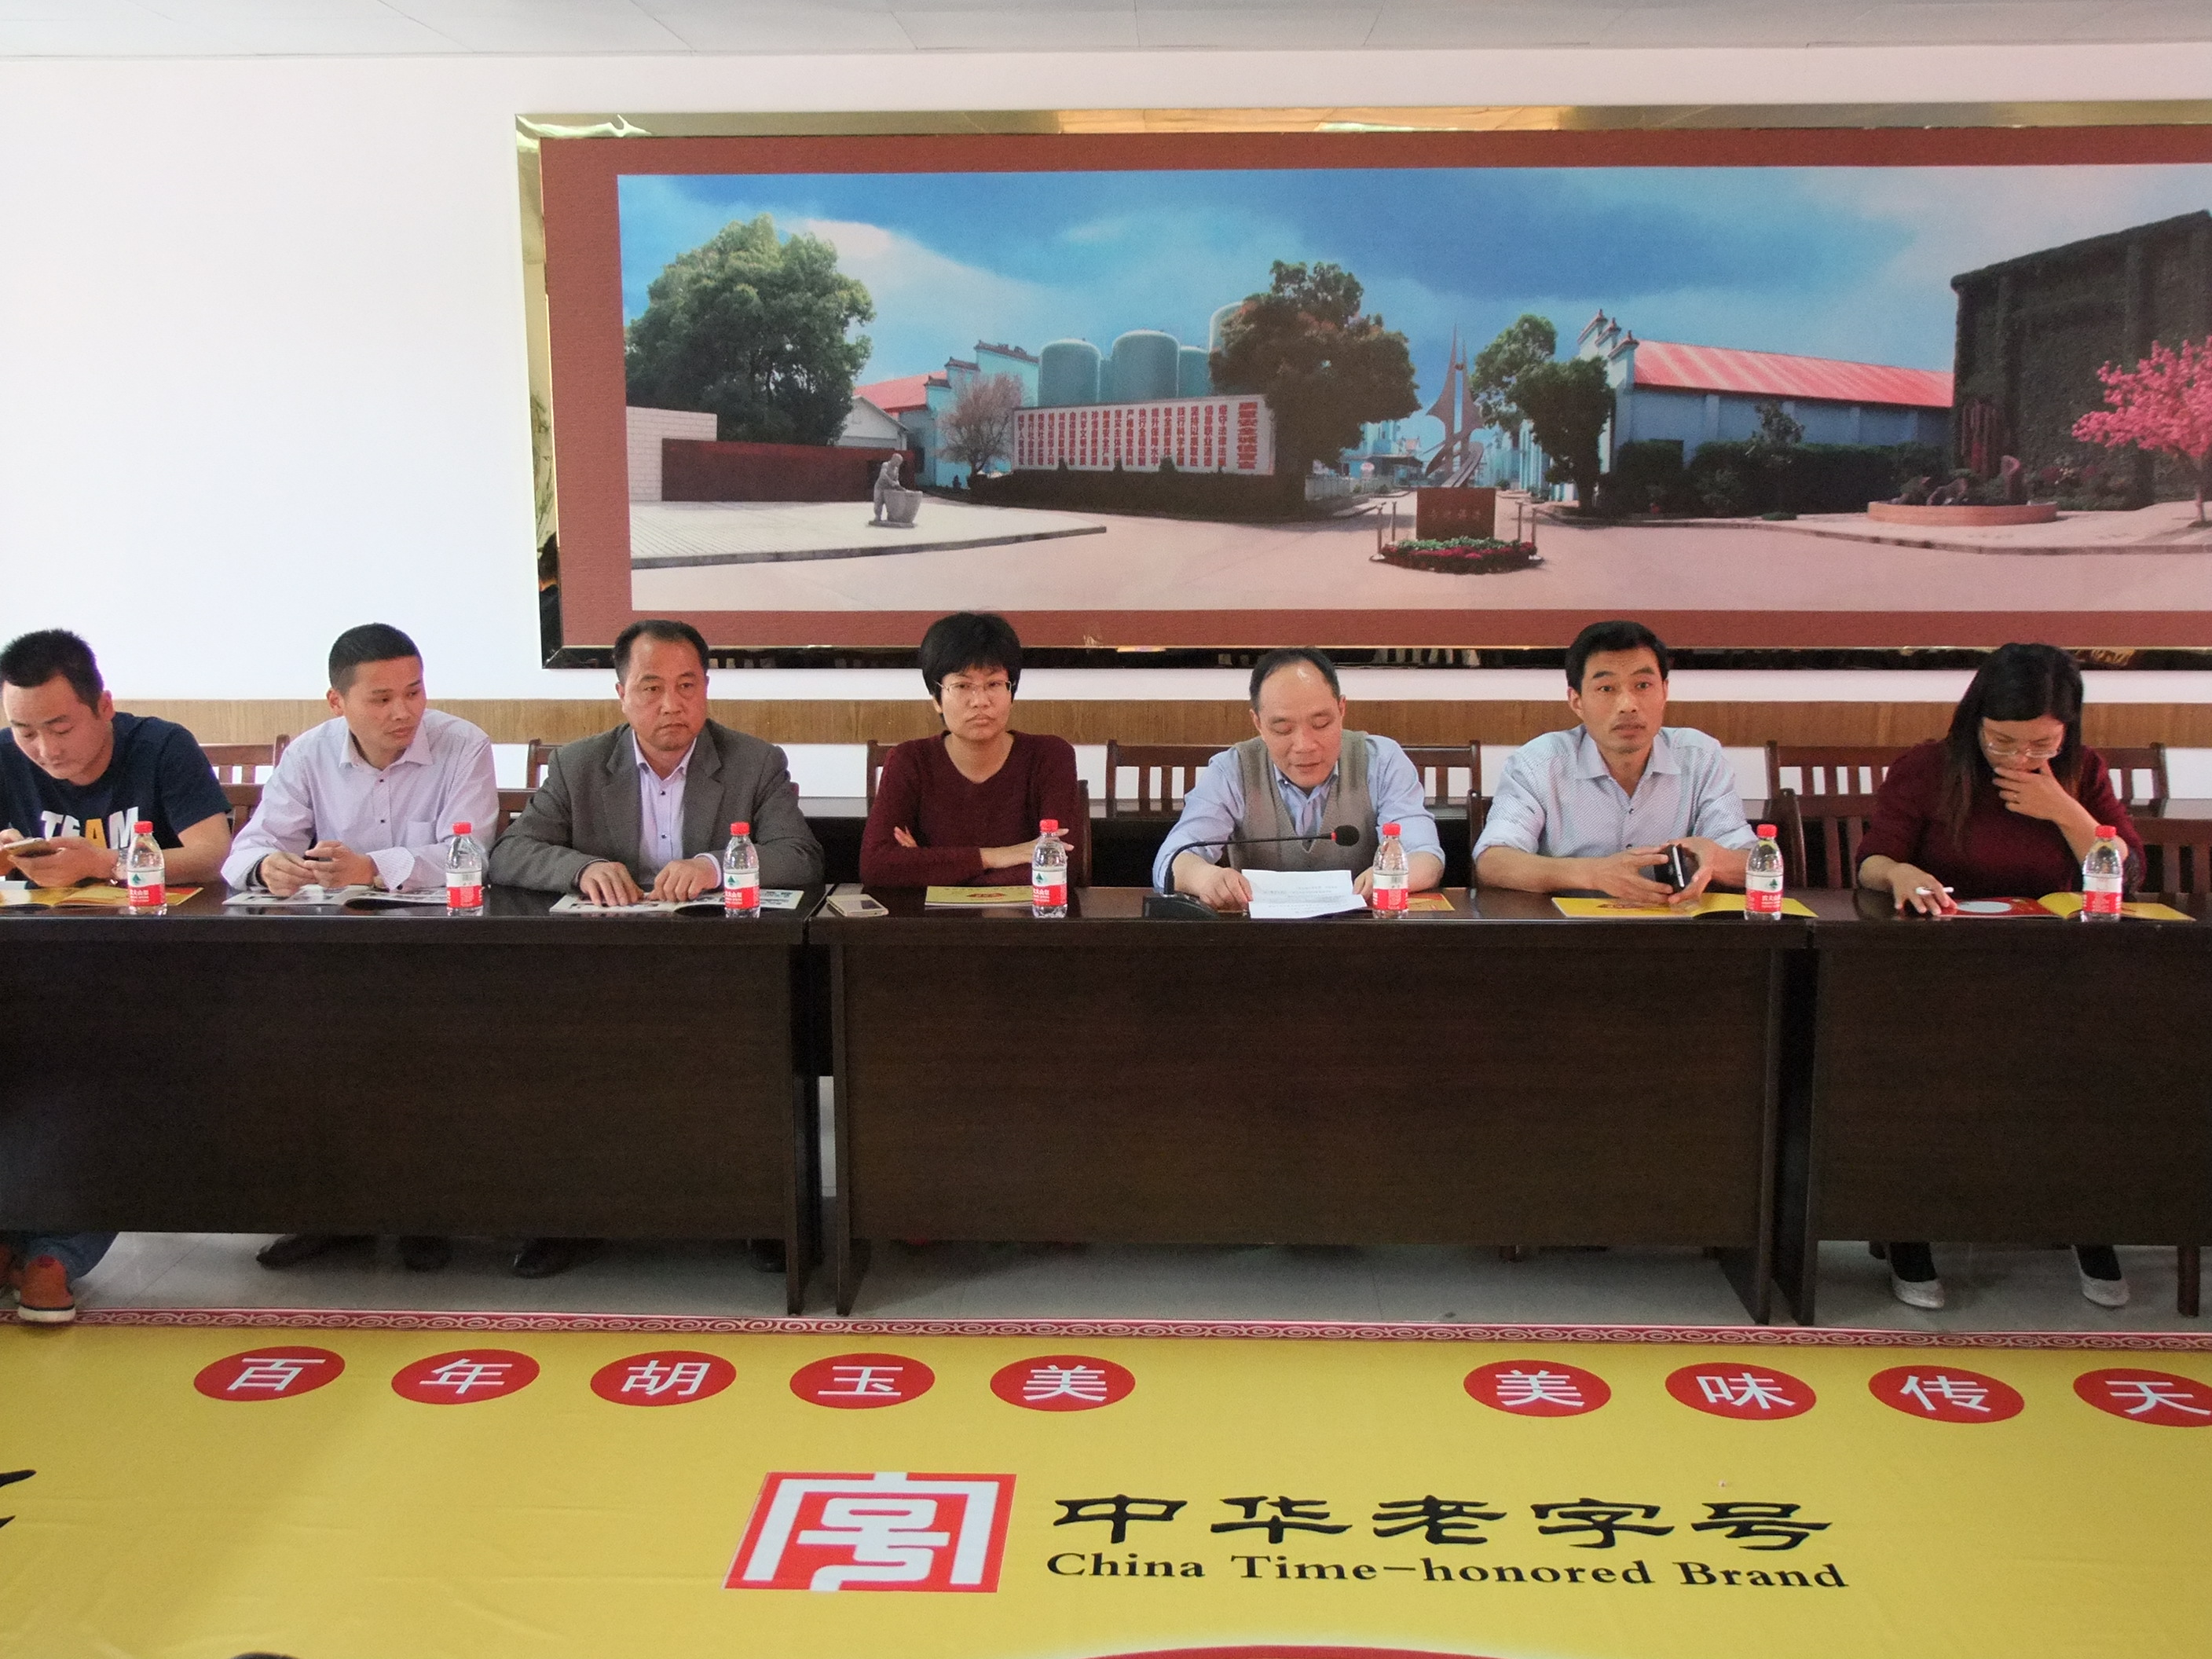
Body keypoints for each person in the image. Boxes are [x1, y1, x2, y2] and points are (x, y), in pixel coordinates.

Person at [488, 617, 822, 1279]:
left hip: (719, 970)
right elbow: (511, 850)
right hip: (603, 971)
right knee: (559, 1054)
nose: (672, 704)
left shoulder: (755, 761)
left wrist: (715, 864)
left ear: (706, 689)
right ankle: (573, 1218)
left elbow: (801, 855)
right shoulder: (579, 764)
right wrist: (582, 868)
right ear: (621, 694)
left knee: (758, 1042)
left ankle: (759, 1213)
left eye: (687, 685)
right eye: (651, 687)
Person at [1855, 641, 2141, 1312]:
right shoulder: (1928, 768)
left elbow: (2125, 873)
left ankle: (2088, 1225)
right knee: (1919, 1074)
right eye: (2002, 741)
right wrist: (1902, 872)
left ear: (2067, 729)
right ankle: (1909, 1231)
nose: (2019, 757)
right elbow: (1872, 860)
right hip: (1940, 970)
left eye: (2040, 742)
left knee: (2097, 1072)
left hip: (2055, 971)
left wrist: (2065, 809)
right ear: (1976, 719)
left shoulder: (2083, 772)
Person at [225, 622, 500, 1276]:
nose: (404, 711)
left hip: (439, 954)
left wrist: (372, 868)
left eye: (414, 691)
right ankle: (332, 1214)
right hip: (336, 955)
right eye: (381, 698)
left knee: (427, 1067)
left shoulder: (463, 745)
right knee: (309, 1059)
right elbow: (248, 848)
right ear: (337, 702)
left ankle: (427, 1216)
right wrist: (269, 867)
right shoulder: (308, 755)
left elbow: (471, 855)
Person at [0, 628, 233, 1324]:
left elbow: (211, 854)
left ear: (103, 705)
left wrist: (102, 862)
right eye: (25, 732)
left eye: (60, 727)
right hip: (34, 971)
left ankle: (55, 1252)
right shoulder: (5, 759)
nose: (45, 750)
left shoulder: (159, 747)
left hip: (153, 974)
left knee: (108, 1075)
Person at [1474, 620, 1753, 904]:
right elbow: (1493, 862)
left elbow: (1754, 862)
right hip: (1571, 929)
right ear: (1577, 701)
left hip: (1672, 926)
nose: (1628, 705)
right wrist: (1594, 874)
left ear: (1664, 692)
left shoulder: (1700, 757)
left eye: (1643, 685)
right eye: (1606, 689)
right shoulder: (1539, 762)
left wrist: (1717, 860)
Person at [1153, 647, 1444, 910]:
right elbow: (1172, 858)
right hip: (1259, 938)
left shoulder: (1381, 761)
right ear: (1258, 723)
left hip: (1363, 934)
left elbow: (1426, 857)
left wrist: (1388, 875)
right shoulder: (1232, 769)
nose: (1304, 745)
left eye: (1321, 723)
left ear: (1342, 710)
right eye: (1283, 729)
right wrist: (1204, 877)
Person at [860, 612, 1081, 888]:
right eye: (963, 685)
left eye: (994, 684)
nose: (980, 701)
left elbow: (1062, 865)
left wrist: (929, 866)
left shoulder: (1050, 756)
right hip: (932, 918)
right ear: (937, 699)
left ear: (1011, 693)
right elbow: (876, 866)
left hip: (1024, 916)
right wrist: (996, 857)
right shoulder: (910, 761)